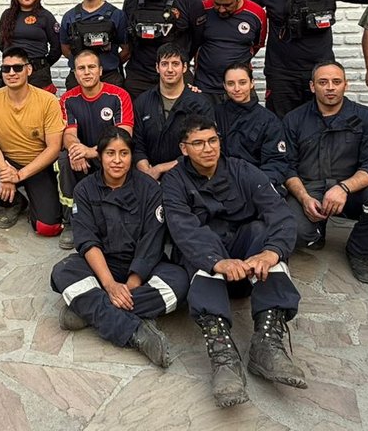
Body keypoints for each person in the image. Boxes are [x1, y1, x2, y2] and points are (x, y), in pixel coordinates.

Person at [162, 117, 306, 407]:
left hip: (245, 261)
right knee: (199, 244)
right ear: (184, 148)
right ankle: (223, 356)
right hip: (207, 260)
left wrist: (272, 252)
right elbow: (182, 229)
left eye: (212, 141)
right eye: (198, 143)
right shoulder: (174, 180)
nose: (208, 149)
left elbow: (280, 213)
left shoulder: (243, 170)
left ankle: (267, 343)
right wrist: (218, 262)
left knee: (263, 233)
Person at [49, 128, 188, 367]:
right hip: (103, 266)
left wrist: (132, 283)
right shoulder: (84, 190)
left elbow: (152, 240)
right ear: (100, 156)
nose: (117, 160)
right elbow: (87, 241)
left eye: (124, 153)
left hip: (143, 267)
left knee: (179, 282)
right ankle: (136, 332)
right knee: (63, 272)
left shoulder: (150, 188)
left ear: (131, 156)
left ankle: (90, 309)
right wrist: (110, 285)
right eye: (110, 153)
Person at [281, 62, 368, 284]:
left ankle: (359, 251)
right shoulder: (294, 119)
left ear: (345, 85)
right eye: (323, 82)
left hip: (354, 190)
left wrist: (343, 188)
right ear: (312, 86)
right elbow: (286, 166)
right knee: (294, 232)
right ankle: (315, 232)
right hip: (311, 190)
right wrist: (304, 198)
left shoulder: (367, 117)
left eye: (336, 82)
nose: (330, 87)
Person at [0, 46, 65, 235]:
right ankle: (15, 203)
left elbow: (53, 148)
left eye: (17, 68)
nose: (11, 73)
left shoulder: (48, 101)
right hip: (5, 161)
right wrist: (5, 171)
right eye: (6, 69)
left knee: (47, 228)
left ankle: (36, 203)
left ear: (28, 70)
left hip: (37, 165)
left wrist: (19, 176)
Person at [57, 49, 135, 249]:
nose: (87, 72)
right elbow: (68, 134)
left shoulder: (118, 96)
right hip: (83, 159)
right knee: (64, 159)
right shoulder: (67, 99)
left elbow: (124, 136)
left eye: (91, 67)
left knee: (120, 156)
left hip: (109, 156)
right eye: (81, 68)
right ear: (75, 73)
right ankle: (70, 221)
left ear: (100, 70)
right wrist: (75, 150)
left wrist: (92, 152)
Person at [122, 0, 205, 97]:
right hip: (140, 75)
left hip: (176, 73)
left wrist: (182, 59)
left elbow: (198, 38)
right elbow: (126, 33)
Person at [133, 44, 212, 182]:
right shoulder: (142, 102)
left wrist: (160, 168)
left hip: (189, 179)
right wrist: (146, 172)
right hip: (148, 179)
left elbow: (203, 147)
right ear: (157, 67)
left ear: (185, 67)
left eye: (175, 64)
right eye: (164, 64)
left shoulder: (200, 104)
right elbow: (137, 145)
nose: (170, 70)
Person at [213, 64, 291, 186]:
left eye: (242, 83)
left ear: (252, 83)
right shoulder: (214, 114)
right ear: (224, 86)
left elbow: (276, 163)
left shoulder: (269, 120)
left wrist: (257, 186)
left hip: (256, 185)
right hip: (219, 183)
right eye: (231, 83)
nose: (237, 88)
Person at [194, 0, 266, 104]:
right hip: (205, 86)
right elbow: (193, 40)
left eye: (227, 5)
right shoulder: (203, 9)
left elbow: (257, 45)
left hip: (239, 88)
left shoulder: (257, 13)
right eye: (217, 4)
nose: (221, 9)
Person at [59, 0, 129, 89]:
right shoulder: (70, 16)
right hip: (79, 79)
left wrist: (110, 62)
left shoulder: (117, 15)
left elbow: (126, 50)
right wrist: (81, 65)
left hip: (109, 77)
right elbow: (65, 49)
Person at [0, 0, 60, 91]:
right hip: (11, 71)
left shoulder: (46, 16)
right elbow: (2, 45)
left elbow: (57, 47)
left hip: (38, 73)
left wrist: (42, 64)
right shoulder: (7, 15)